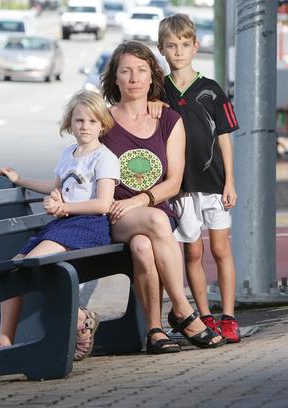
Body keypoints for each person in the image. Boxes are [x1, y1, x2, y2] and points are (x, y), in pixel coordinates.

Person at [100, 40, 225, 354]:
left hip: (153, 212)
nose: (134, 78)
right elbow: (79, 160)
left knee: (143, 246)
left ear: (152, 77)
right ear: (114, 78)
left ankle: (154, 331)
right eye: (125, 71)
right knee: (154, 220)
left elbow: (173, 183)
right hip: (114, 214)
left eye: (141, 70)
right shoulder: (102, 122)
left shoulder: (168, 121)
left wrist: (138, 200)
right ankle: (183, 310)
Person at [0, 90, 120, 361]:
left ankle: (80, 318)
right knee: (12, 267)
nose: (85, 126)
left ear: (103, 125)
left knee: (30, 265)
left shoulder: (105, 158)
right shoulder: (68, 154)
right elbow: (56, 187)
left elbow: (103, 204)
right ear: (70, 122)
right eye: (79, 120)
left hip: (88, 227)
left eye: (92, 121)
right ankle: (4, 339)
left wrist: (63, 207)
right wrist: (21, 179)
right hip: (62, 226)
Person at [153, 13, 241, 343]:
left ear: (196, 46)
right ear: (161, 49)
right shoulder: (159, 92)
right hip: (181, 187)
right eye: (172, 46)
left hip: (214, 183)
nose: (179, 51)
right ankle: (204, 316)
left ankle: (229, 317)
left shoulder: (212, 90)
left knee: (220, 249)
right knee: (192, 253)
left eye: (185, 45)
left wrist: (229, 181)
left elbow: (224, 138)